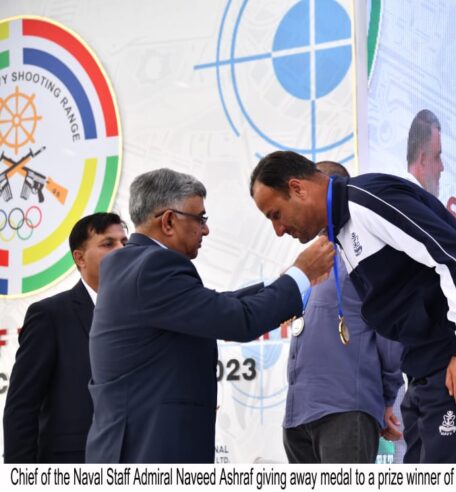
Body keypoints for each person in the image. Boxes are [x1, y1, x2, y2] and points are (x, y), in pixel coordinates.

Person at [250, 151, 456, 463]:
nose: (278, 230)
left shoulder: (367, 200)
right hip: (423, 369)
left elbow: (453, 257)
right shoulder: (342, 232)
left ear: (297, 188)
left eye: (276, 214)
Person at [85, 168, 334, 463]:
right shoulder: (153, 267)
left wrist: (280, 282)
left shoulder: (131, 265)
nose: (206, 230)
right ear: (168, 221)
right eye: (200, 218)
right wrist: (302, 273)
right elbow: (238, 320)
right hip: (150, 453)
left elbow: (215, 305)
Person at [282, 160, 404, 464]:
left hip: (347, 410)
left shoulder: (363, 251)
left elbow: (390, 334)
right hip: (298, 416)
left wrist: (387, 399)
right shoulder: (310, 260)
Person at [3, 213, 128, 463]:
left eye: (125, 242)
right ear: (79, 258)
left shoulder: (142, 311)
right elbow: (22, 407)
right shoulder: (50, 315)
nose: (122, 250)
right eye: (108, 243)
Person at [406, 109, 444, 196]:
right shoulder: (410, 200)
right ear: (422, 160)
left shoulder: (401, 195)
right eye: (436, 157)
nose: (442, 167)